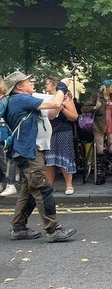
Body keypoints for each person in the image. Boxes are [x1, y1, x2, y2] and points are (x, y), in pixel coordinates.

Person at [3, 71, 76, 242]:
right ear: (19, 86)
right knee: (43, 189)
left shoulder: (21, 100)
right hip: (29, 152)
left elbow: (52, 111)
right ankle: (53, 230)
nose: (32, 82)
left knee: (29, 191)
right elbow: (55, 102)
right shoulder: (21, 99)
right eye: (28, 81)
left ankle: (19, 228)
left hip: (28, 150)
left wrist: (59, 98)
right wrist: (62, 86)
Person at [81, 79, 112, 185]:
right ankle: (100, 173)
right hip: (99, 125)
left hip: (111, 125)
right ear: (106, 87)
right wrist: (95, 107)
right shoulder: (97, 96)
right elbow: (84, 108)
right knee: (100, 149)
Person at [44, 77, 78, 195]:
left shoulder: (65, 97)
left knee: (65, 157)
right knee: (50, 159)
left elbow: (74, 117)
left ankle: (69, 185)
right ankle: (49, 185)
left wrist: (62, 108)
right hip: (48, 131)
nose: (45, 85)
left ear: (54, 85)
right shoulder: (46, 98)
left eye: (47, 83)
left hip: (63, 130)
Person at [0, 79, 18, 197]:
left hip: (4, 131)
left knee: (4, 158)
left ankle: (11, 184)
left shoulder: (4, 100)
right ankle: (2, 183)